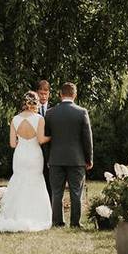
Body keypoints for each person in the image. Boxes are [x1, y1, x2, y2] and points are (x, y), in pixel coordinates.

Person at [0, 91, 53, 232]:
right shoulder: (39, 119)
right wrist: (51, 137)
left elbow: (13, 144)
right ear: (35, 102)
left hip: (20, 154)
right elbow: (40, 139)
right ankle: (35, 215)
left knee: (19, 180)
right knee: (35, 181)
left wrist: (22, 141)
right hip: (34, 154)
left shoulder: (15, 119)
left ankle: (14, 215)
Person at [43, 82, 93, 228]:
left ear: (60, 94)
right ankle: (75, 223)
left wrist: (48, 158)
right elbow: (87, 138)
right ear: (74, 94)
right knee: (76, 192)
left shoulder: (50, 113)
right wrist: (89, 158)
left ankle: (57, 221)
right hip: (76, 159)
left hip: (56, 159)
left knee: (56, 192)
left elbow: (46, 138)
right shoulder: (82, 112)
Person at [35, 79, 52, 196]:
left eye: (46, 94)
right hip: (35, 149)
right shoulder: (31, 109)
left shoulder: (55, 108)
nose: (43, 96)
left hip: (51, 151)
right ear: (37, 93)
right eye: (41, 93)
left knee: (49, 182)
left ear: (49, 94)